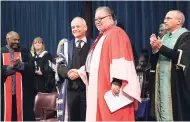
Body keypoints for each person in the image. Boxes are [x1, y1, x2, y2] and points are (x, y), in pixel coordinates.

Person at [76, 6, 141, 121]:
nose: (98, 22)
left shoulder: (116, 32)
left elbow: (121, 57)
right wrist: (81, 71)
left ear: (110, 18)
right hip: (100, 86)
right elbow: (96, 62)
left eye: (101, 18)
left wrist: (117, 81)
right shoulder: (101, 37)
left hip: (110, 88)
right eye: (96, 20)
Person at [150, 10, 190, 121]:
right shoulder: (165, 37)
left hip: (176, 82)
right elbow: (156, 60)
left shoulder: (185, 37)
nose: (164, 21)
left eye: (168, 18)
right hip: (162, 81)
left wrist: (161, 48)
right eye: (165, 18)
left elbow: (181, 58)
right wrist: (155, 49)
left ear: (179, 21)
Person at [57, 17, 93, 121]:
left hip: (88, 90)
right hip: (71, 90)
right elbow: (59, 65)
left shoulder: (94, 44)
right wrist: (68, 72)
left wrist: (80, 72)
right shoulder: (66, 46)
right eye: (73, 27)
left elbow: (97, 64)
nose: (75, 29)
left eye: (78, 26)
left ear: (85, 27)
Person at [1, 31, 36, 121]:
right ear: (8, 39)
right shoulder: (1, 52)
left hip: (22, 94)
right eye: (14, 39)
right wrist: (10, 67)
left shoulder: (24, 52)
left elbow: (32, 68)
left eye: (18, 40)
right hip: (4, 94)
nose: (17, 42)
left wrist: (20, 65)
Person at [149, 23, 168, 120]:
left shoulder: (171, 42)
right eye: (159, 30)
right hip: (156, 73)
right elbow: (153, 60)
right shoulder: (157, 41)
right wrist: (154, 49)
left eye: (163, 30)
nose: (160, 32)